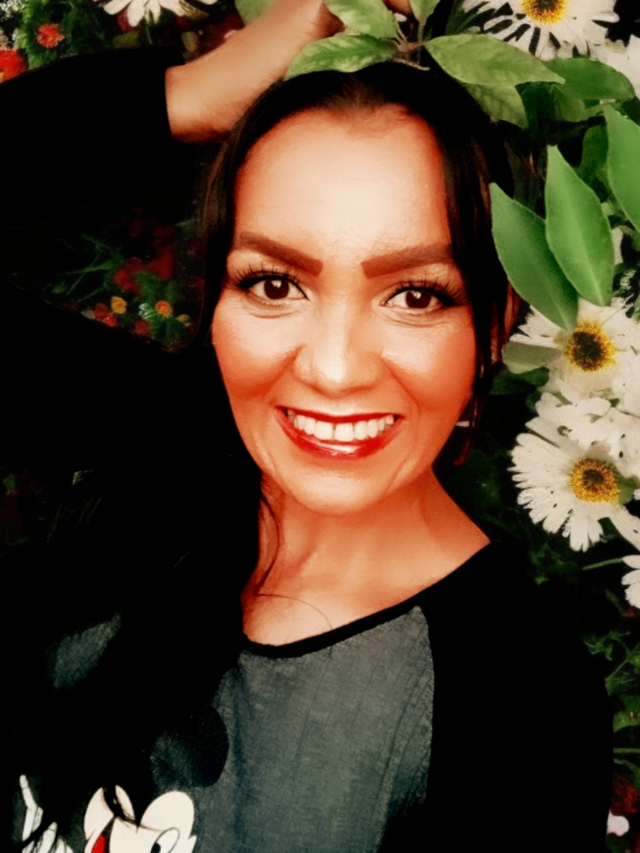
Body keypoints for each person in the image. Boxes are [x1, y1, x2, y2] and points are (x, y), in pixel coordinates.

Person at [3, 2, 612, 851]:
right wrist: (183, 96)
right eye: (274, 283)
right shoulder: (148, 458)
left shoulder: (515, 701)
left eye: (416, 295)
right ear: (216, 299)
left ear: (494, 324)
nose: (333, 368)